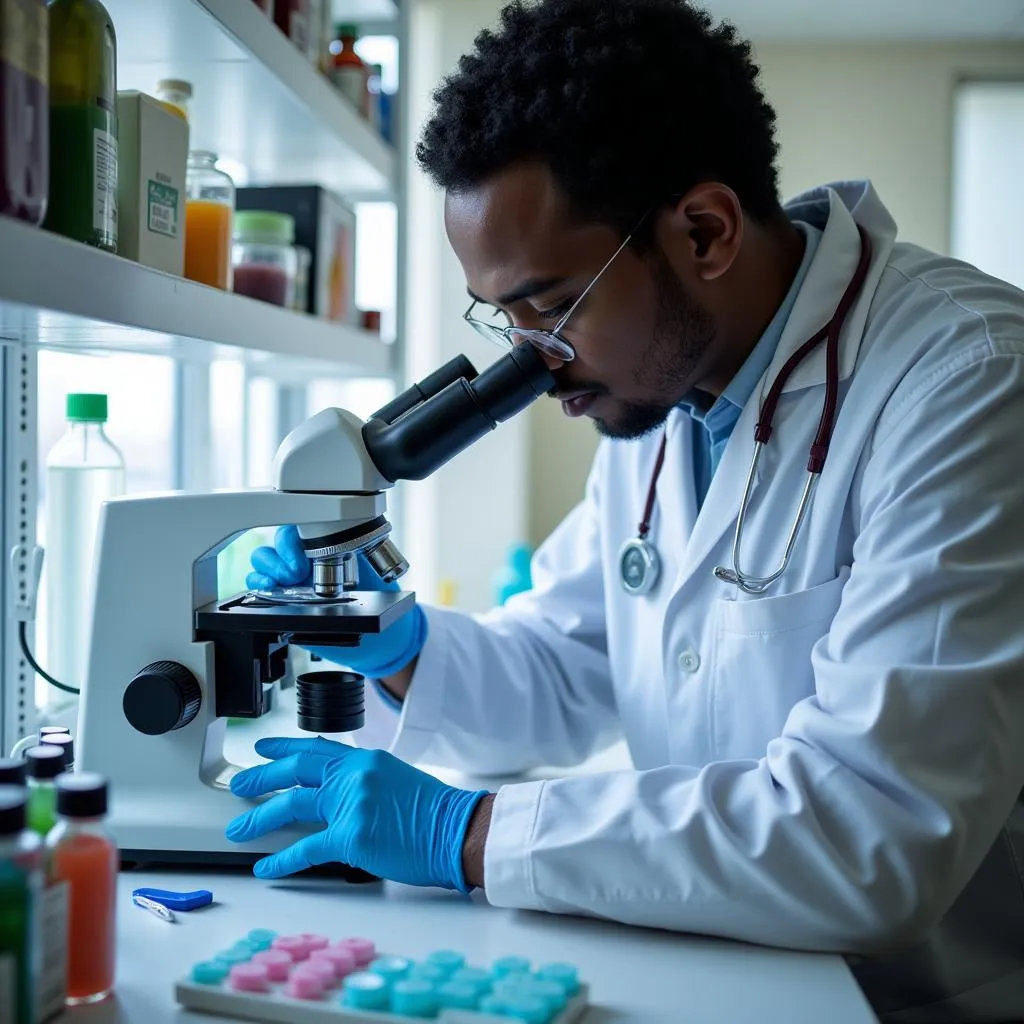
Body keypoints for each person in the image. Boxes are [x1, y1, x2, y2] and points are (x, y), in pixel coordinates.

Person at [224, 1, 1024, 1019]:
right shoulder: (659, 393)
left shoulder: (968, 380)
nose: (530, 361)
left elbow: (874, 830)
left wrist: (466, 835)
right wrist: (400, 645)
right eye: (502, 315)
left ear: (703, 231)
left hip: (912, 998)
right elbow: (570, 663)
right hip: (710, 963)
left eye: (550, 306)